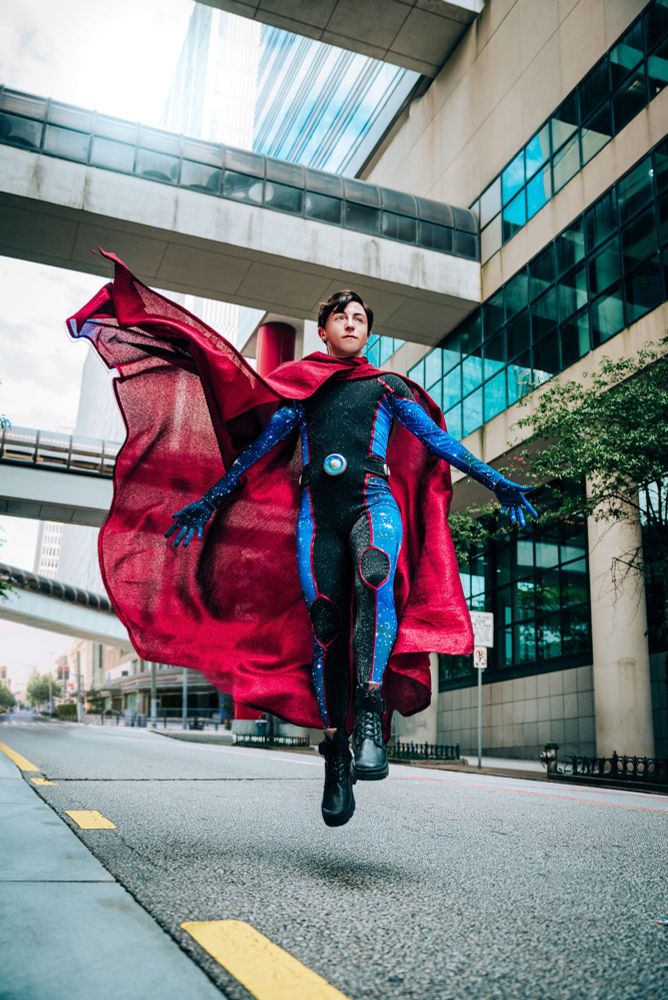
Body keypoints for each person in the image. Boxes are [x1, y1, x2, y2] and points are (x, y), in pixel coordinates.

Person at [162, 288, 537, 827]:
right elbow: (259, 450)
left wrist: (497, 482)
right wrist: (211, 499)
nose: (353, 324)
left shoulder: (386, 387)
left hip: (374, 505)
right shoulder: (302, 391)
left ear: (368, 331)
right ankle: (335, 753)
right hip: (319, 517)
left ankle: (368, 718)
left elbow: (437, 442)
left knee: (376, 577)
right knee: (326, 624)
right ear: (323, 331)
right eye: (343, 317)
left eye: (361, 318)